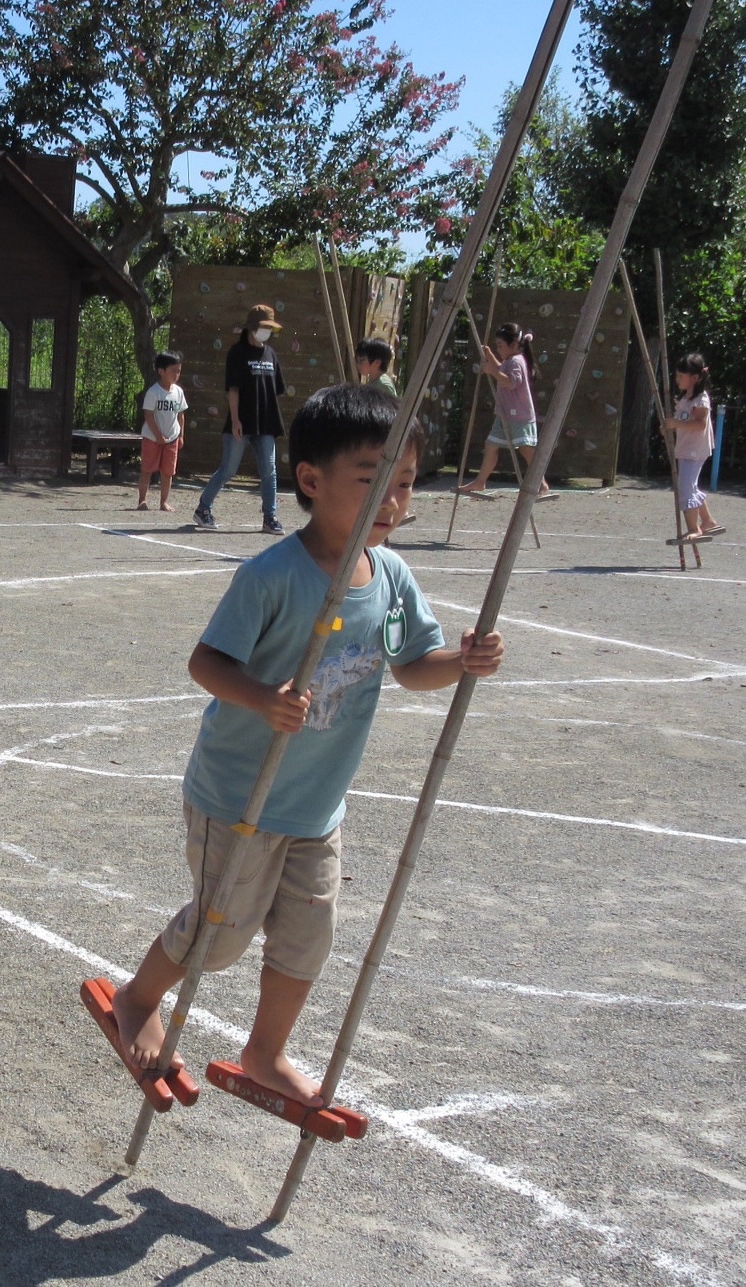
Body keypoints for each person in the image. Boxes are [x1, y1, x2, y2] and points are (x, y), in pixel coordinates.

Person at [109, 383, 505, 1107]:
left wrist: (463, 660)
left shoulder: (390, 577)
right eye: (373, 480)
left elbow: (413, 665)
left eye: (406, 482)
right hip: (240, 797)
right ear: (312, 481)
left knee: (306, 939)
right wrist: (263, 697)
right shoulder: (272, 576)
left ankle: (265, 1052)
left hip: (317, 805)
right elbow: (206, 663)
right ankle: (137, 997)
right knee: (219, 936)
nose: (393, 500)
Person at [194, 304, 286, 534]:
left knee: (269, 471)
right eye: (264, 327)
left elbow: (275, 390)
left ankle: (270, 517)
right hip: (241, 423)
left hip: (266, 424)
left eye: (270, 328)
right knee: (228, 469)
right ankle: (203, 509)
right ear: (252, 327)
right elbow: (233, 390)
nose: (267, 332)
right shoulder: (237, 353)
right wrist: (235, 420)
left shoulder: (271, 354)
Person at [458, 322, 547, 497]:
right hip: (505, 414)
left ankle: (542, 483)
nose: (498, 349)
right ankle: (480, 481)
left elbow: (510, 382)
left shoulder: (516, 362)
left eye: (500, 346)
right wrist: (490, 356)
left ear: (513, 345)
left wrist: (491, 370)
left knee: (526, 449)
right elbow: (501, 370)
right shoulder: (509, 361)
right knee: (491, 445)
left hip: (519, 415)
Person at [667, 352, 724, 538]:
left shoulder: (701, 399)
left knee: (685, 487)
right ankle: (708, 521)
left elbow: (700, 424)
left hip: (695, 449)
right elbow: (682, 421)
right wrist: (670, 426)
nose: (677, 379)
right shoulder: (685, 398)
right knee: (689, 485)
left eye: (681, 376)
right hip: (686, 447)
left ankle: (694, 528)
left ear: (695, 378)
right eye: (677, 375)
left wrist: (676, 424)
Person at [137, 351, 188, 512]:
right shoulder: (153, 392)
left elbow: (181, 415)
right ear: (161, 371)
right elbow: (148, 415)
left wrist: (181, 436)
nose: (176, 374)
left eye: (179, 371)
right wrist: (158, 436)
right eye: (173, 371)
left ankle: (164, 502)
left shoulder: (178, 392)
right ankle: (142, 500)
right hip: (152, 438)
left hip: (172, 438)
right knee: (147, 470)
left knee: (168, 472)